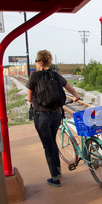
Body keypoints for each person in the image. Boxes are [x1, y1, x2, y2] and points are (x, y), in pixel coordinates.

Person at [26, 50, 80, 187]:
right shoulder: (56, 75)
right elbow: (70, 89)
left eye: (36, 61)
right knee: (52, 143)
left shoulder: (34, 77)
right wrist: (76, 96)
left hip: (42, 116)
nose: (35, 63)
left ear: (41, 62)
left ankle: (55, 178)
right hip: (56, 114)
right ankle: (58, 171)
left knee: (48, 146)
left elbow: (29, 98)